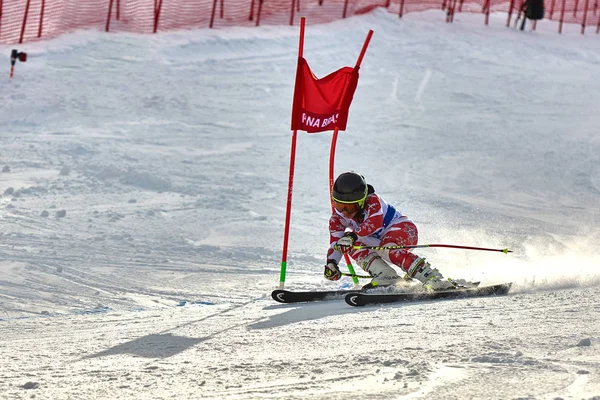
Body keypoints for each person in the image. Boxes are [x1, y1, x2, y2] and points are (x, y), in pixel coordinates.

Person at [323, 171, 457, 291]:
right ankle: (386, 275)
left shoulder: (373, 201)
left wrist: (353, 235)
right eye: (340, 206)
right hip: (377, 240)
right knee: (347, 243)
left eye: (351, 207)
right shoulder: (336, 218)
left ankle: (431, 276)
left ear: (362, 202)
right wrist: (332, 263)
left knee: (386, 247)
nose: (345, 212)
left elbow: (374, 223)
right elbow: (335, 243)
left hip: (403, 230)